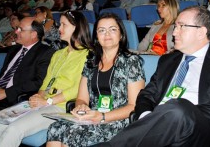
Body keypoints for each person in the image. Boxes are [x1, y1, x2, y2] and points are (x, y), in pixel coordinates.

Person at [94, 6, 210, 147]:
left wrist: (186, 112)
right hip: (162, 130)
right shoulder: (168, 61)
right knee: (174, 112)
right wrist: (149, 116)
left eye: (181, 26)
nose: (174, 32)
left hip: (202, 132)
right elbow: (146, 95)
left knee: (179, 108)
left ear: (201, 32)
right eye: (175, 26)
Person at [0, 10, 92, 147]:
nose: (59, 29)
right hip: (43, 102)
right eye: (59, 24)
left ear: (76, 28)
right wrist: (38, 98)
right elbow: (45, 83)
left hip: (61, 107)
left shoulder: (88, 55)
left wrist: (48, 101)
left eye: (63, 25)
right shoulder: (58, 54)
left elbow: (79, 89)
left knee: (13, 129)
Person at [46, 13, 145, 146]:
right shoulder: (91, 61)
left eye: (113, 29)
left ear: (121, 34)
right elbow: (82, 98)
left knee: (73, 133)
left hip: (118, 121)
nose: (107, 34)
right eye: (101, 30)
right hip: (92, 117)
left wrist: (102, 117)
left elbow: (134, 106)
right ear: (97, 37)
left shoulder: (131, 62)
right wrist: (81, 106)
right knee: (55, 128)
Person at [0, 17, 55, 137]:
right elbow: (0, 78)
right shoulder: (14, 50)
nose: (16, 31)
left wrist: (7, 92)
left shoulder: (45, 52)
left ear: (33, 34)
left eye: (20, 29)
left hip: (14, 99)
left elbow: (38, 83)